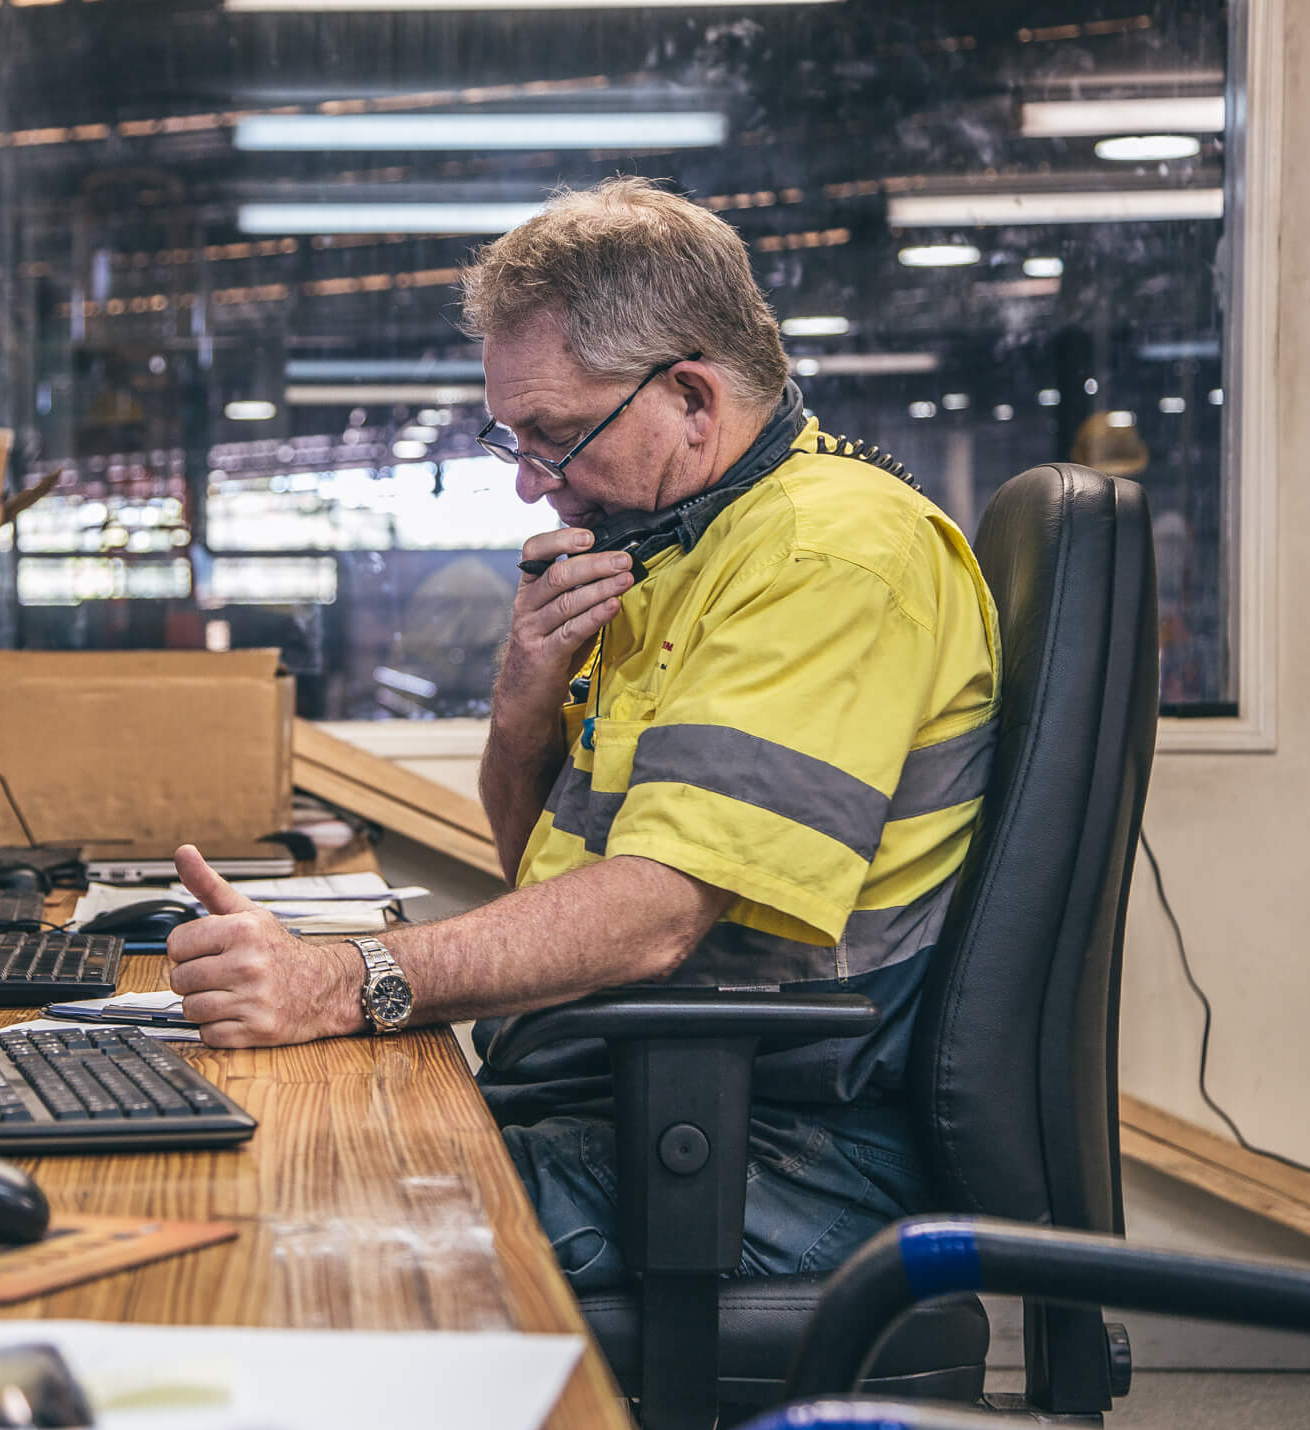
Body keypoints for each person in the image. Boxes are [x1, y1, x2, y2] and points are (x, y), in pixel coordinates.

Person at [165, 177, 1000, 1290]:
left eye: (554, 435)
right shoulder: (669, 550)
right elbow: (540, 869)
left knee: (285, 1232)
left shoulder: (822, 556)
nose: (528, 484)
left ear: (692, 397)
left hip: (779, 1152)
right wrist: (522, 698)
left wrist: (339, 979)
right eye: (510, 438)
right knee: (253, 1156)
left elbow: (649, 918)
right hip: (635, 1089)